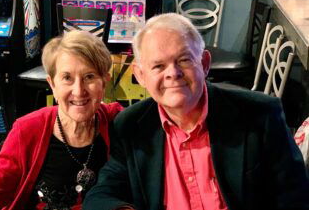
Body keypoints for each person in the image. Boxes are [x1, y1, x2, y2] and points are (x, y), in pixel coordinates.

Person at [83, 13, 309, 210]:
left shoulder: (260, 115)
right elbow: (101, 194)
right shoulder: (130, 126)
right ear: (140, 75)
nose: (172, 73)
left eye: (183, 60)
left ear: (204, 63)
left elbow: (296, 198)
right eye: (158, 66)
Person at [0, 30, 123, 210]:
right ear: (52, 85)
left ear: (105, 82)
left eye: (89, 76)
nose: (79, 91)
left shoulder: (119, 123)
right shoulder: (27, 130)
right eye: (67, 78)